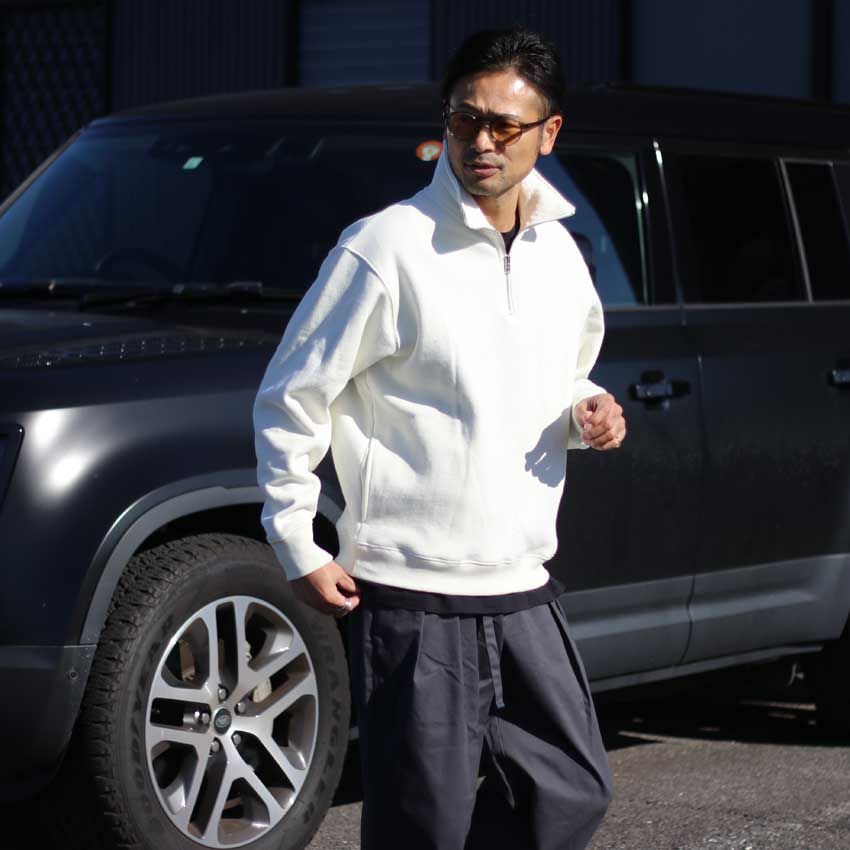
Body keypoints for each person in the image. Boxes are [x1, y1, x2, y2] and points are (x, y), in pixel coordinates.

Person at [253, 25, 627, 850]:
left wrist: (586, 410)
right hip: (413, 593)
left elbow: (563, 373)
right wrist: (296, 540)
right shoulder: (387, 247)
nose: (481, 142)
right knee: (424, 824)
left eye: (504, 125)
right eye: (465, 119)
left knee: (570, 789)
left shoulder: (559, 253)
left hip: (522, 582)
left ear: (549, 133)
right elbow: (291, 396)